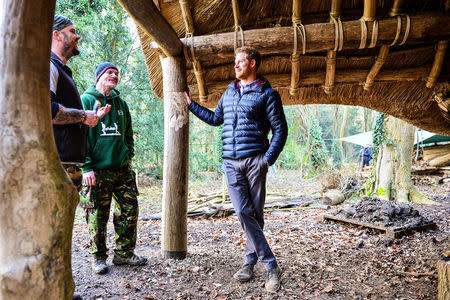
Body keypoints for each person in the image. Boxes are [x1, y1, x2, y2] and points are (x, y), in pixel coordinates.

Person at [184, 46, 288, 292]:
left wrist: (268, 159)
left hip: (255, 160)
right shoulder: (230, 91)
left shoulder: (267, 94)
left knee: (255, 214)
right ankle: (271, 265)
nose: (236, 65)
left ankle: (249, 262)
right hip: (231, 162)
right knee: (243, 212)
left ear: (253, 64)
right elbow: (216, 119)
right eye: (235, 61)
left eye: (241, 61)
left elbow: (280, 130)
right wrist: (191, 104)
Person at [80, 62, 147, 275]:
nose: (114, 76)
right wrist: (86, 166)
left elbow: (128, 134)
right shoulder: (86, 100)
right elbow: (79, 138)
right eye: (110, 72)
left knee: (130, 210)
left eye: (117, 73)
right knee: (97, 215)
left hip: (122, 169)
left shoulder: (121, 104)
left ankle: (124, 254)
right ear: (99, 76)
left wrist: (128, 154)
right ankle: (98, 257)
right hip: (96, 171)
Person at [50, 15, 110, 190]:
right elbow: (48, 110)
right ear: (57, 35)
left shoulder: (62, 69)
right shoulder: (50, 66)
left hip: (68, 165)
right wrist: (84, 116)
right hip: (57, 166)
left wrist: (89, 118)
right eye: (72, 32)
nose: (77, 36)